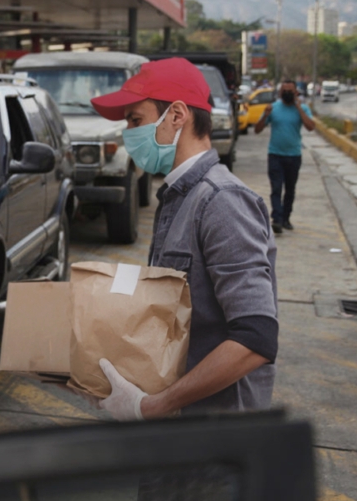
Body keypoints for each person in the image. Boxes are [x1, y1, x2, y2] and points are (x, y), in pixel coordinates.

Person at [89, 57, 278, 419]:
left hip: (214, 436)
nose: (128, 133)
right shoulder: (179, 196)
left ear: (177, 116)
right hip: (181, 427)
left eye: (135, 120)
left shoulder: (221, 201)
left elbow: (256, 337)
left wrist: (153, 406)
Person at [254, 80, 316, 233]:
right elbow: (257, 130)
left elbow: (310, 127)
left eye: (290, 90)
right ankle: (277, 219)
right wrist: (265, 116)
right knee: (276, 188)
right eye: (284, 90)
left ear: (296, 92)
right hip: (275, 154)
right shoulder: (273, 108)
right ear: (280, 93)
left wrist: (299, 108)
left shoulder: (303, 108)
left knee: (290, 189)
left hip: (294, 156)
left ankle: (286, 218)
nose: (287, 93)